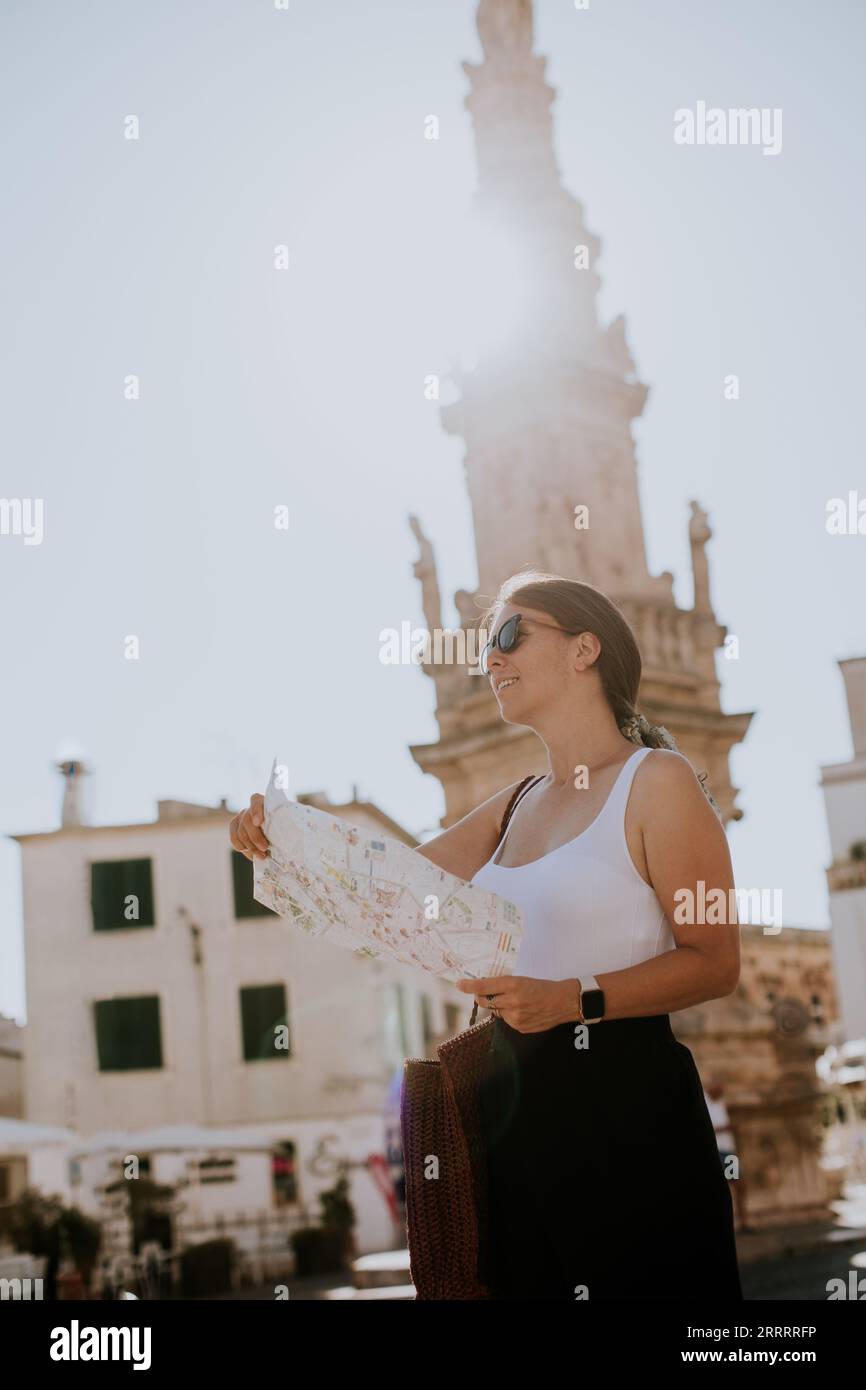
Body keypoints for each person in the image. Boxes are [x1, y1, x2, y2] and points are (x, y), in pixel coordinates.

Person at [229, 569, 744, 1302]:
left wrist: (575, 1000)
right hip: (505, 1119)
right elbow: (386, 889)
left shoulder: (658, 781)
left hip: (626, 1109)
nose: (490, 661)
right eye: (483, 649)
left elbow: (714, 962)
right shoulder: (512, 805)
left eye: (509, 636)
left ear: (584, 649)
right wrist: (276, 838)